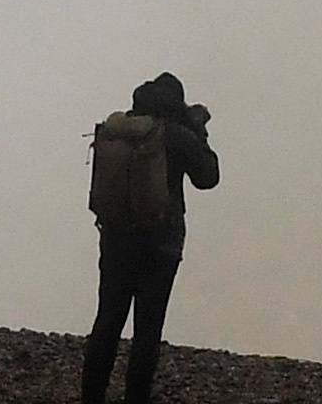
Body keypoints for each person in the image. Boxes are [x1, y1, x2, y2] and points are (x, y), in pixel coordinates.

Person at [79, 72, 219, 404]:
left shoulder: (120, 132)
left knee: (108, 319)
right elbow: (209, 176)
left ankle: (91, 396)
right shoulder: (175, 135)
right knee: (147, 329)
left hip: (115, 240)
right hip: (160, 244)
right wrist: (198, 130)